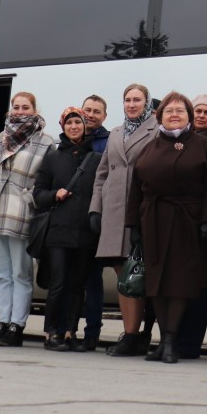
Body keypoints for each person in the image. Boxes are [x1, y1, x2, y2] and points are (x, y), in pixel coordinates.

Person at [124, 92, 207, 363]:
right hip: (153, 221)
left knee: (179, 283)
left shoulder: (201, 145)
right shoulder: (150, 147)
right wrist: (133, 225)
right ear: (160, 116)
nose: (175, 114)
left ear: (189, 116)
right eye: (169, 110)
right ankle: (164, 340)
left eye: (180, 110)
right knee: (156, 283)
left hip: (187, 222)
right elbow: (136, 190)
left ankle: (169, 341)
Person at [0, 91, 54, 347]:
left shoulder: (45, 141)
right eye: (16, 107)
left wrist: (28, 198)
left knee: (20, 272)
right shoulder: (2, 136)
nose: (20, 111)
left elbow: (46, 179)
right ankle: (2, 322)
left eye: (25, 107)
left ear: (35, 110)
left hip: (20, 211)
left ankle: (16, 325)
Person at [89, 83, 159, 356]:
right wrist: (96, 209)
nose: (131, 104)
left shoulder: (156, 130)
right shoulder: (116, 132)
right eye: (127, 100)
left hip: (142, 212)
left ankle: (142, 333)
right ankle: (130, 334)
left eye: (137, 100)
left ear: (147, 103)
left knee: (142, 276)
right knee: (124, 276)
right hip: (114, 211)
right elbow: (101, 175)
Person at [32, 107, 102, 351]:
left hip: (85, 232)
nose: (74, 127)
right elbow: (38, 194)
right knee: (58, 282)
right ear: (63, 127)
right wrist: (55, 194)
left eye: (78, 123)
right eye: (69, 123)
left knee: (77, 285)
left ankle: (70, 331)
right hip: (58, 231)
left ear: (85, 126)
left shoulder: (95, 159)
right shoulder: (52, 157)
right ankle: (51, 332)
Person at [173, 93, 207, 359]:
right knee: (179, 283)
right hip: (181, 224)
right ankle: (175, 337)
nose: (202, 116)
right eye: (198, 111)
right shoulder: (182, 142)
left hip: (204, 225)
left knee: (199, 286)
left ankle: (190, 343)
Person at [78, 93, 111, 348]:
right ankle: (66, 330)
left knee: (92, 281)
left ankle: (92, 333)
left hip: (94, 219)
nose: (90, 114)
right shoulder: (70, 137)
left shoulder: (109, 142)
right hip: (70, 220)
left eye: (96, 111)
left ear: (104, 117)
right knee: (69, 279)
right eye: (87, 109)